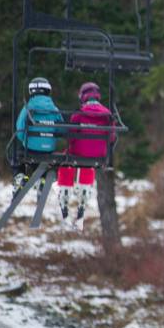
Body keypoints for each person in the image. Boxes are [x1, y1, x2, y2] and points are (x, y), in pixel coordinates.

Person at [57, 82, 115, 224]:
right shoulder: (107, 114)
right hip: (99, 155)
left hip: (79, 152)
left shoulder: (79, 114)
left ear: (83, 96)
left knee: (66, 161)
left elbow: (71, 134)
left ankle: (65, 194)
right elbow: (112, 137)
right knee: (89, 164)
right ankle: (84, 195)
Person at [13, 77, 64, 195]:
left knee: (18, 153)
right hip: (48, 150)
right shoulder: (54, 109)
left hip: (30, 149)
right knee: (43, 157)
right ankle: (43, 178)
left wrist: (25, 140)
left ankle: (20, 175)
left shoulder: (28, 108)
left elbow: (20, 128)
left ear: (31, 92)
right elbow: (61, 129)